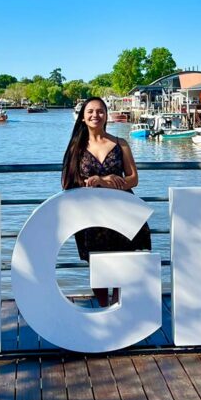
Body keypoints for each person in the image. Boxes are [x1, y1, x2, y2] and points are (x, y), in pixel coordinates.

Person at [61, 96, 151, 306]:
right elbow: (66, 182)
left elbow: (133, 179)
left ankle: (120, 308)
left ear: (106, 115)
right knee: (98, 264)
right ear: (82, 117)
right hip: (90, 214)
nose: (95, 115)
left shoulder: (121, 144)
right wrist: (93, 182)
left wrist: (107, 181)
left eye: (100, 111)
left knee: (123, 261)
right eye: (90, 111)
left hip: (122, 211)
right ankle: (104, 308)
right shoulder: (76, 147)